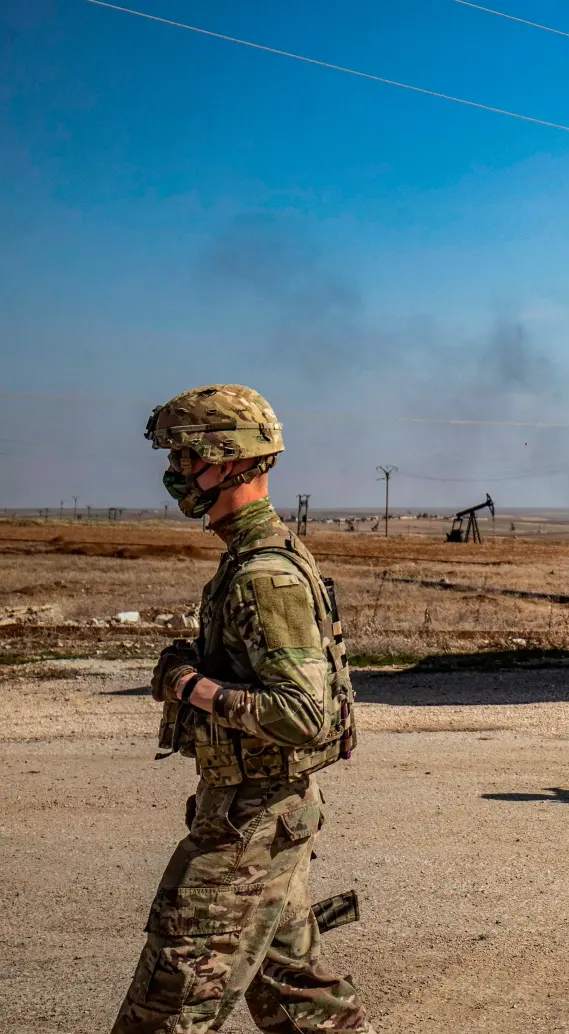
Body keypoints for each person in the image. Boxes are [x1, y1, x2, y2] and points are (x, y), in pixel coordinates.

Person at [111, 384, 371, 1033]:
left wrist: (186, 685)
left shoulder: (264, 573)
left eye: (183, 456)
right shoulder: (256, 558)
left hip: (248, 827)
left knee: (167, 1007)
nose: (173, 473)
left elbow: (301, 715)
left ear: (227, 463)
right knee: (301, 1001)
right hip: (263, 813)